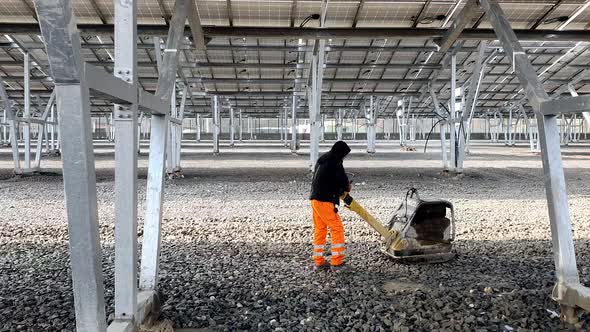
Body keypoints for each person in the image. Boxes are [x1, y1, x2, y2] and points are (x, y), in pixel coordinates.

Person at [309, 141, 351, 271]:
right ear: (341, 152)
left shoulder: (323, 159)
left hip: (315, 200)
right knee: (337, 228)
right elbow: (343, 181)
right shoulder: (335, 162)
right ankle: (336, 262)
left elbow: (325, 179)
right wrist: (347, 187)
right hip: (325, 201)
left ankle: (319, 261)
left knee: (320, 229)